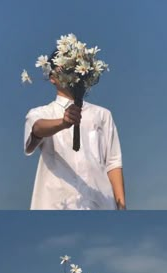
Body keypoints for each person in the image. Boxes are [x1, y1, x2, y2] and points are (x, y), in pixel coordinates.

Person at [24, 52, 126, 210]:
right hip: (57, 201)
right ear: (52, 77)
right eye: (64, 66)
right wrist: (62, 123)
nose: (70, 70)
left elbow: (113, 162)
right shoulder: (41, 113)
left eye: (74, 65)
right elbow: (36, 131)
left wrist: (121, 204)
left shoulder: (102, 114)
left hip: (100, 200)